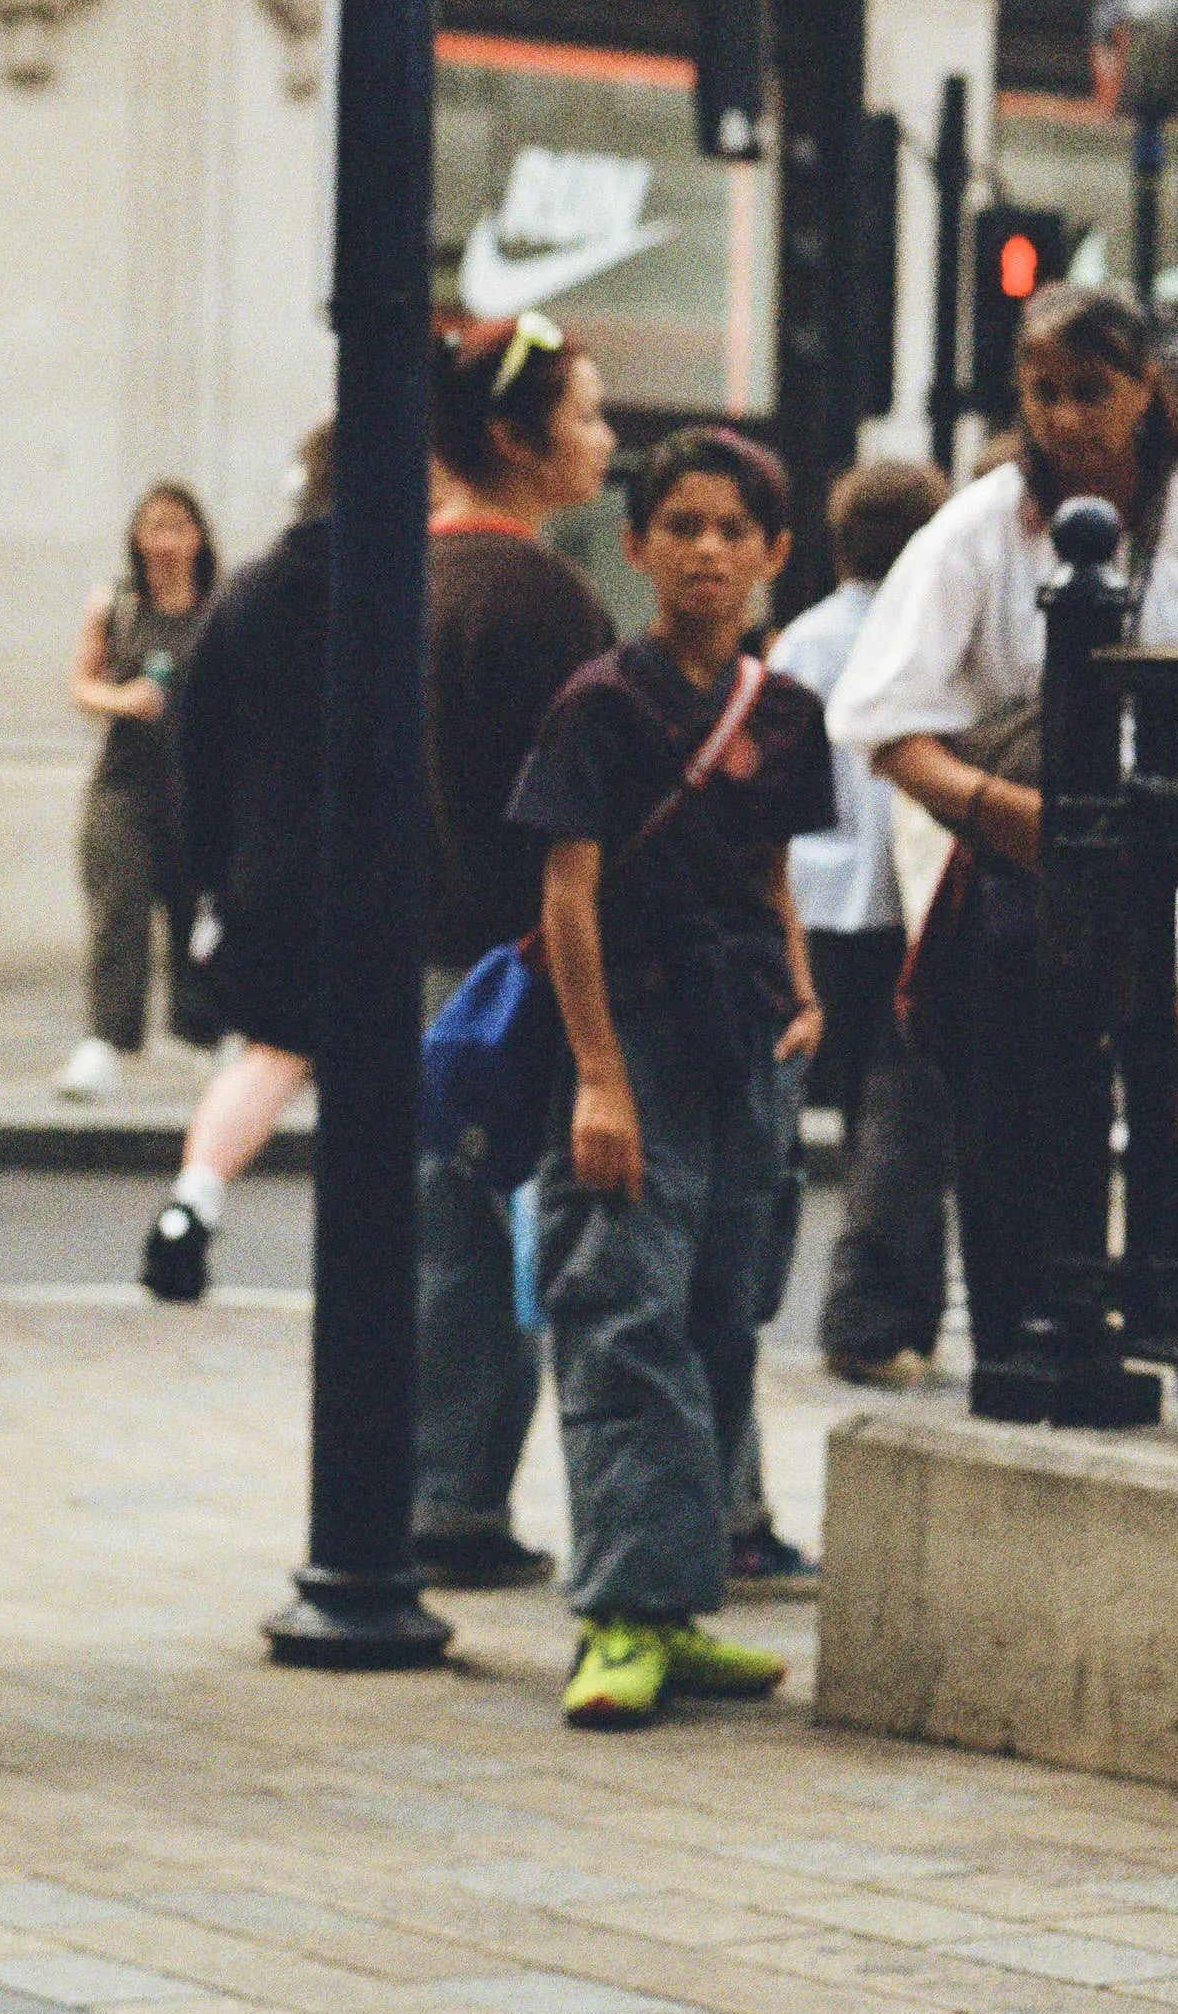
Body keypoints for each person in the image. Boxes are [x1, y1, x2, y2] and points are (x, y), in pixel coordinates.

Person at [831, 282, 1178, 1389]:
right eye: (1041, 392)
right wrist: (1011, 816)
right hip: (1024, 860)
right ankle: (1023, 1335)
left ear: (1146, 388)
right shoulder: (980, 525)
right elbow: (880, 718)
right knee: (1020, 1100)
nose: (1063, 416)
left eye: (1090, 389)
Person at [513, 425, 832, 1734]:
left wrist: (802, 990)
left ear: (771, 553)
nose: (704, 550)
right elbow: (566, 890)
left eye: (730, 530)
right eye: (679, 526)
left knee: (716, 1313)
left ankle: (681, 1599)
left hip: (743, 1032)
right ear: (634, 544)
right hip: (630, 1031)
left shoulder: (784, 712)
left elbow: (765, 875)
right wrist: (596, 1077)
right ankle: (620, 1615)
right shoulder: (598, 700)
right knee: (620, 1310)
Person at [406, 310, 617, 1585]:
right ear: (512, 439)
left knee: (440, 1236)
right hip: (511, 962)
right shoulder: (545, 599)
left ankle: (426, 1484)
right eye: (584, 415)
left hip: (404, 954)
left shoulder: (398, 575)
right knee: (501, 1239)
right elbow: (583, 814)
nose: (600, 441)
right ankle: (456, 1503)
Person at [778, 458, 957, 1389]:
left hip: (813, 908)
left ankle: (900, 1312)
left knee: (864, 1103)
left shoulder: (800, 641)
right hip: (902, 903)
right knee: (902, 1107)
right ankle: (870, 1314)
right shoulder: (920, 636)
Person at [151, 426, 332, 1301]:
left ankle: (193, 1199)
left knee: (270, 1054)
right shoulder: (412, 585)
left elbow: (198, 750)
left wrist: (214, 876)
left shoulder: (246, 596)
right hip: (392, 878)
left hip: (271, 873)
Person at [53, 482, 218, 1103]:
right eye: (153, 527)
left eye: (177, 527)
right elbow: (79, 683)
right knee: (117, 910)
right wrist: (120, 700)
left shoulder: (219, 607)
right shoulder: (116, 603)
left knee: (194, 918)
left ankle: (201, 1034)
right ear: (136, 538)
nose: (165, 541)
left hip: (196, 788)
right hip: (124, 786)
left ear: (197, 537)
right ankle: (106, 1042)